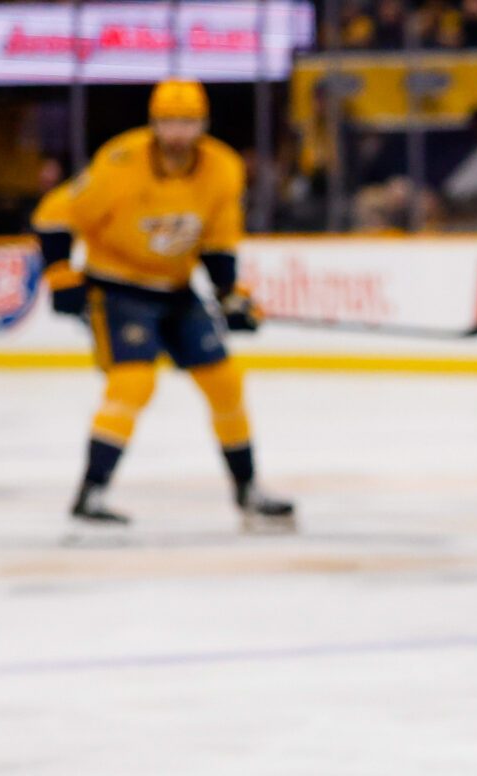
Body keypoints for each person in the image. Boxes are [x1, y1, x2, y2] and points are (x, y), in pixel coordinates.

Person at [33, 81, 291, 531]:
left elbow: (217, 242)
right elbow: (54, 216)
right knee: (133, 383)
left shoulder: (223, 168)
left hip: (175, 287)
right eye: (169, 122)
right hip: (117, 287)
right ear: (154, 124)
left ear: (203, 124)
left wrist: (231, 295)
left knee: (225, 381)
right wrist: (60, 273)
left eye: (187, 122)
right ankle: (91, 493)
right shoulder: (121, 162)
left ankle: (248, 491)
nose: (177, 132)